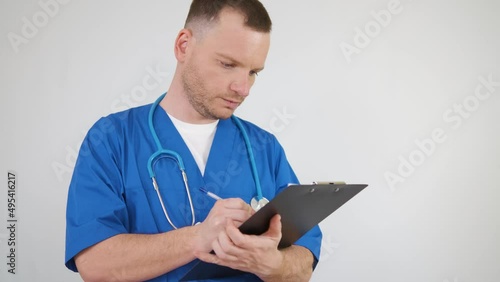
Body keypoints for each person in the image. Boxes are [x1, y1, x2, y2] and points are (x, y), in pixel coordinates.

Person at [65, 0, 322, 281]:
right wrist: (198, 238)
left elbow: (304, 261)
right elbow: (95, 266)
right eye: (227, 64)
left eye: (253, 72)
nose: (243, 88)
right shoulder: (112, 139)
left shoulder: (264, 147)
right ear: (183, 46)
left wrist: (274, 265)